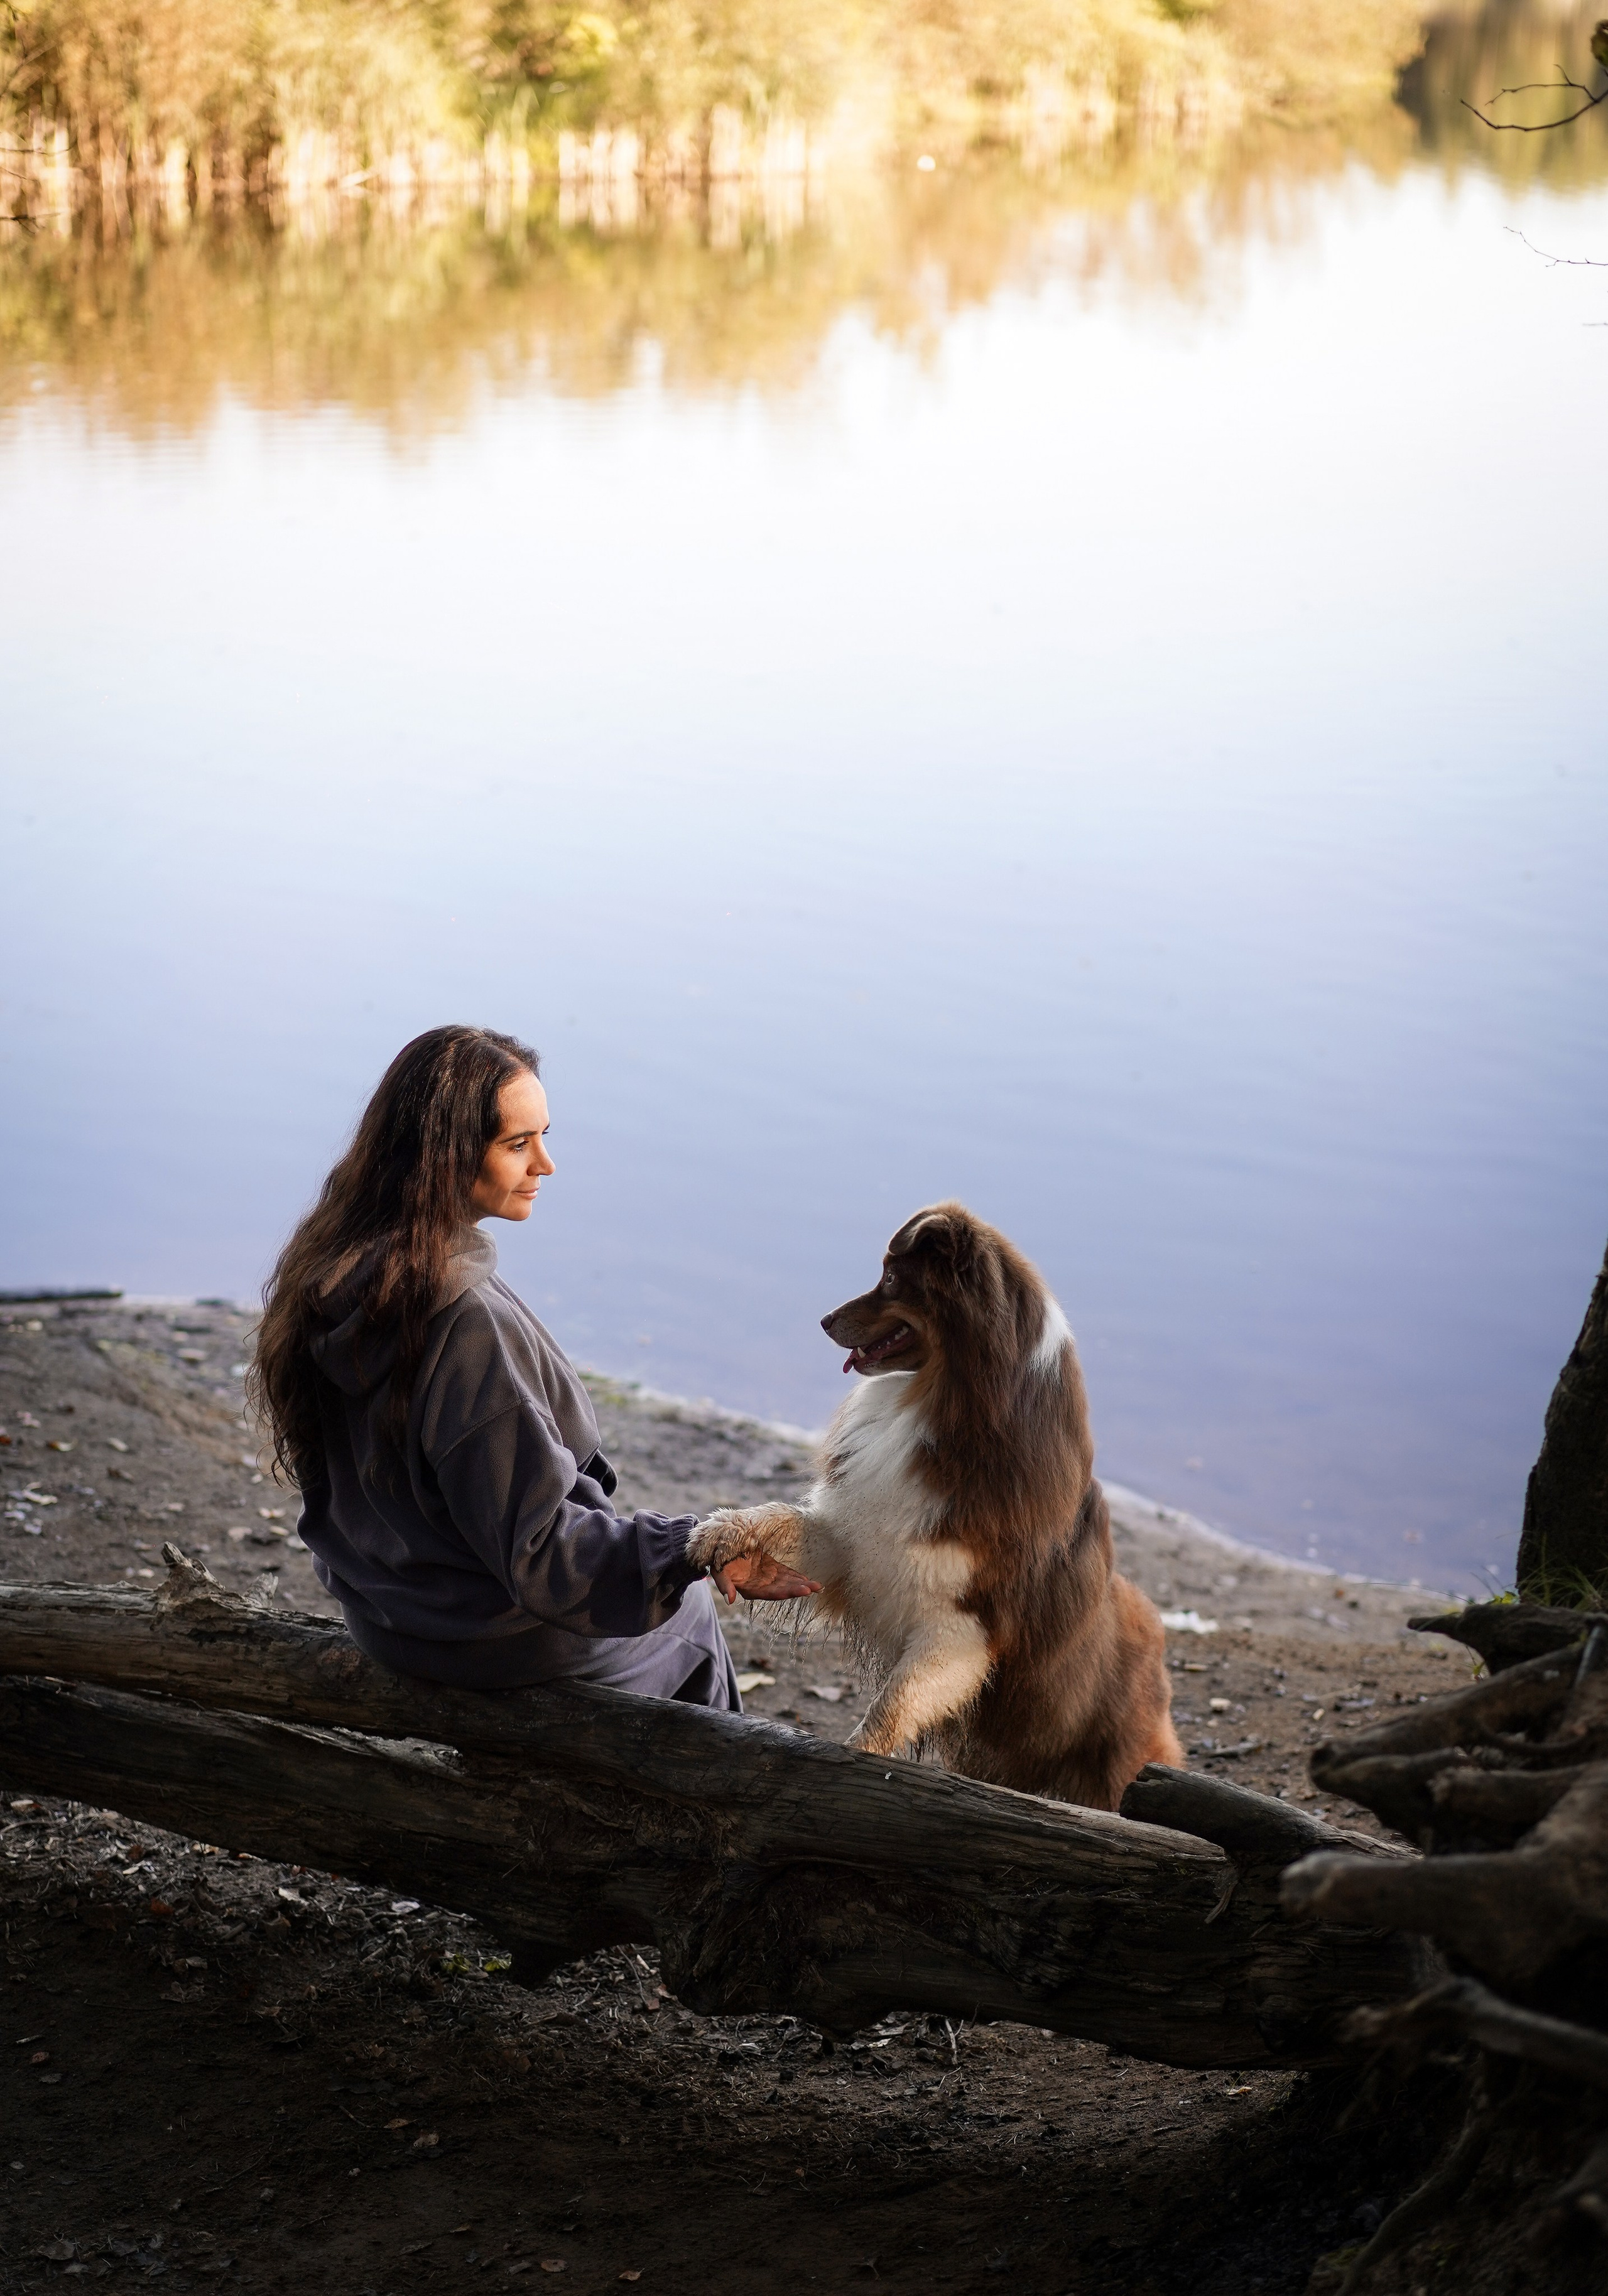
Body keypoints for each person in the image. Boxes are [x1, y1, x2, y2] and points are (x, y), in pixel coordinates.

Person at [250, 1025, 813, 1704]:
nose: (545, 1164)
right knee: (688, 1616)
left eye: (543, 1137)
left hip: (385, 1611)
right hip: (477, 1639)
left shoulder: (334, 1269)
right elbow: (544, 1554)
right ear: (445, 1155)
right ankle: (703, 1774)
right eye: (518, 1144)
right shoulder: (465, 1324)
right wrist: (692, 1548)